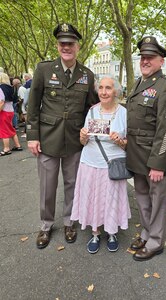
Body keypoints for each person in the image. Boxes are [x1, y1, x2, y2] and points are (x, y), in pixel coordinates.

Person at [26, 23, 99, 249]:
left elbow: (92, 108)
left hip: (75, 141)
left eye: (70, 43)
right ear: (58, 46)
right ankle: (46, 225)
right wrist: (32, 136)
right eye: (62, 43)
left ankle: (69, 221)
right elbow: (33, 105)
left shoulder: (87, 75)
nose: (66, 47)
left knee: (72, 184)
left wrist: (97, 130)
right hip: (47, 138)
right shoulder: (44, 70)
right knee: (47, 186)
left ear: (78, 47)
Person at [126, 36, 166, 261]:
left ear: (161, 60)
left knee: (157, 202)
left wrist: (158, 163)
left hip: (154, 158)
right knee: (142, 197)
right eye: (143, 57)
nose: (145, 61)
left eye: (150, 57)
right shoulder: (139, 83)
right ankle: (148, 233)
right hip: (136, 155)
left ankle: (156, 241)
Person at [71, 76, 131, 254]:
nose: (104, 92)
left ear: (116, 92)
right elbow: (83, 142)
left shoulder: (123, 113)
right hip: (90, 162)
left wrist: (120, 141)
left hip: (113, 164)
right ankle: (95, 233)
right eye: (101, 88)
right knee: (93, 197)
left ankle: (112, 233)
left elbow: (129, 143)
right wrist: (83, 136)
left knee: (111, 198)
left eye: (108, 88)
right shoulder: (92, 112)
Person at [0, 73, 23, 156]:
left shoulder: (0, 88)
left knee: (3, 131)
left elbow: (2, 102)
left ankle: (6, 149)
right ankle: (18, 145)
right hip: (11, 110)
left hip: (4, 111)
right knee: (11, 129)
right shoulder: (11, 88)